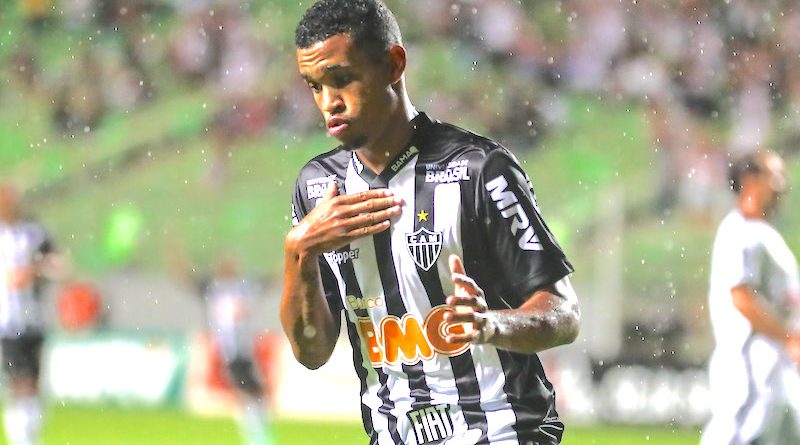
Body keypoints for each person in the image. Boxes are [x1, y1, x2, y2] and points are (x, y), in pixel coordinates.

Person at [281, 1, 581, 444]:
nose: (329, 103)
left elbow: (564, 314)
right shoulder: (317, 187)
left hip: (500, 431)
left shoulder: (480, 169)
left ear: (393, 64)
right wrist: (299, 251)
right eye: (315, 86)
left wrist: (490, 325)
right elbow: (311, 352)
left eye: (342, 79)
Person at [701, 151, 800, 445]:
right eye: (775, 176)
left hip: (776, 367)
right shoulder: (739, 232)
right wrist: (789, 338)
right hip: (750, 365)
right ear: (750, 181)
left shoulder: (765, 234)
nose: (782, 185)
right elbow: (741, 297)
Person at [169, 250, 274, 445]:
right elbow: (185, 279)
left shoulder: (243, 287)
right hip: (231, 351)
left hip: (245, 350)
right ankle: (257, 439)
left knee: (255, 395)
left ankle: (258, 436)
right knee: (250, 394)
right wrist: (174, 255)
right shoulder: (214, 288)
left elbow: (268, 282)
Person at [0, 183, 61, 445]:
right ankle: (22, 440)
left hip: (31, 320)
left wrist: (34, 271)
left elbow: (59, 265)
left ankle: (28, 437)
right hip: (6, 323)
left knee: (32, 386)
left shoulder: (34, 234)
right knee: (19, 383)